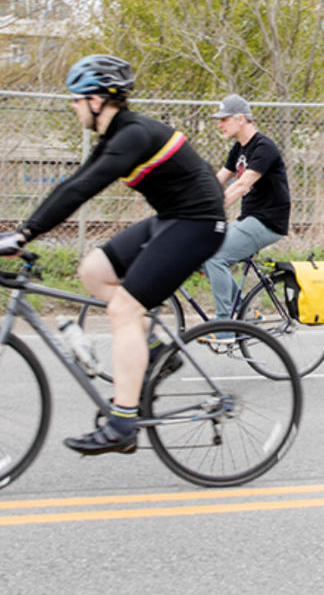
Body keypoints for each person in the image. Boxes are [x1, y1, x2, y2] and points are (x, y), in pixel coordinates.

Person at [0, 55, 226, 455]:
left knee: (122, 310)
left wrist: (24, 234)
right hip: (172, 218)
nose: (72, 106)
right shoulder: (116, 135)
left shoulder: (132, 134)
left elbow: (81, 192)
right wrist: (22, 231)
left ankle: (122, 424)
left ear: (98, 100)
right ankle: (154, 350)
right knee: (93, 270)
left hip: (199, 224)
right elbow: (74, 182)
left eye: (76, 99)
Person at [200, 94, 290, 339]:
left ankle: (225, 327)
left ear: (240, 119)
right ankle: (246, 313)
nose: (220, 125)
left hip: (268, 221)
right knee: (202, 255)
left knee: (216, 257)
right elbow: (218, 181)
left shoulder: (264, 147)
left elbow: (241, 186)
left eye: (224, 119)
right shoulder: (239, 149)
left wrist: (213, 209)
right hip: (250, 218)